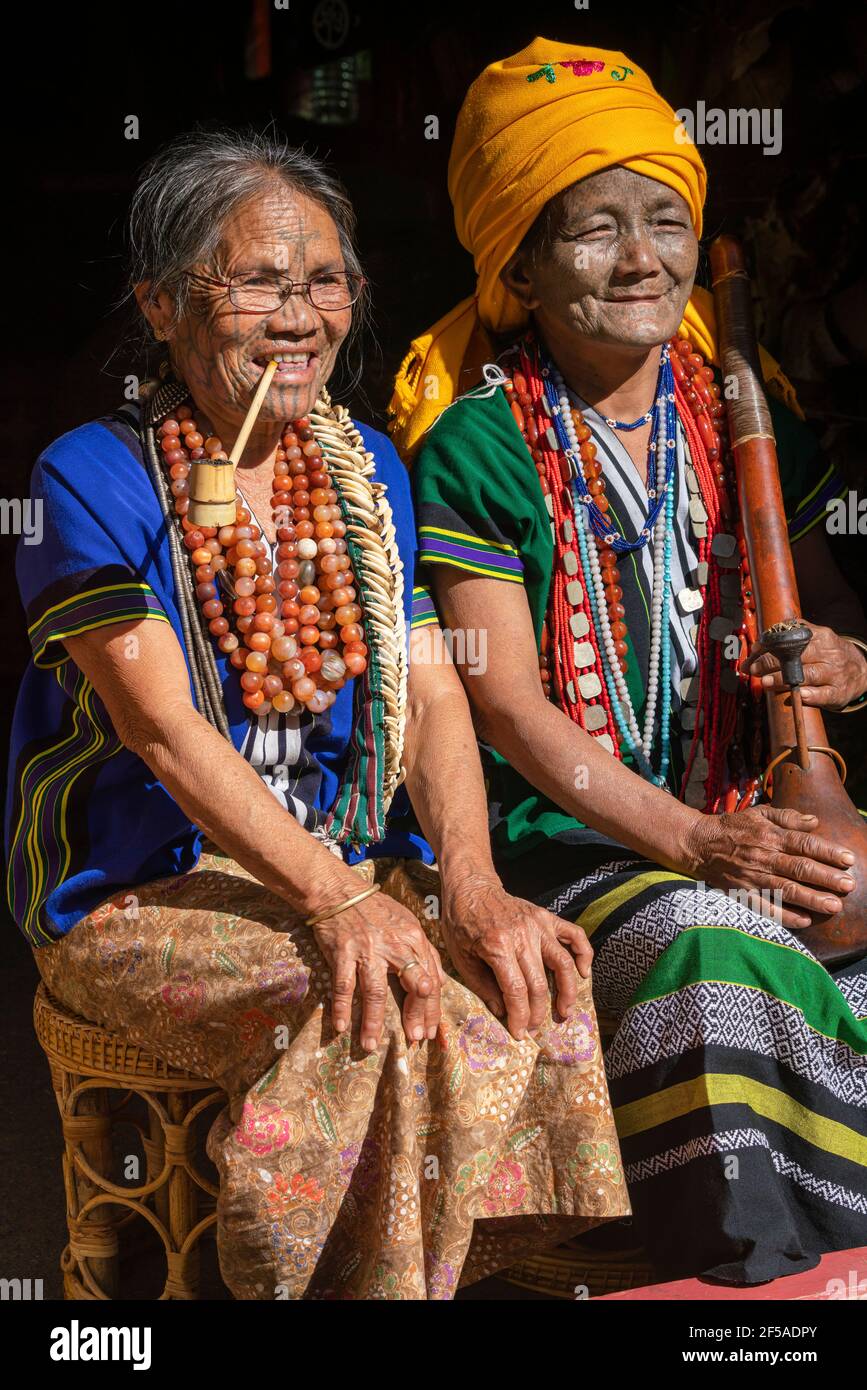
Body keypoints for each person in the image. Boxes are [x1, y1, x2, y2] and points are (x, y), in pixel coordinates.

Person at [5, 128, 630, 1300]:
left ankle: (479, 1271)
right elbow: (162, 730)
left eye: (327, 282)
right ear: (160, 301)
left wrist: (472, 881)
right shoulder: (82, 477)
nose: (302, 315)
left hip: (342, 863)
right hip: (137, 892)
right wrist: (337, 898)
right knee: (362, 1001)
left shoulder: (368, 470)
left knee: (527, 967)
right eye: (258, 283)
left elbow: (434, 684)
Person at [394, 40, 867, 1285]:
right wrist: (697, 842)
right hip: (566, 851)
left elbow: (840, 621)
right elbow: (498, 698)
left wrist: (842, 666)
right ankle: (751, 1286)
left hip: (747, 815)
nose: (643, 259)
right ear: (519, 264)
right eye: (594, 230)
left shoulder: (746, 408)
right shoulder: (479, 443)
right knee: (712, 942)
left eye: (665, 219)